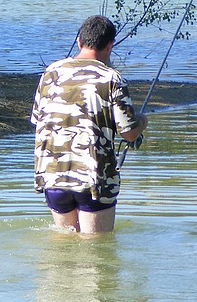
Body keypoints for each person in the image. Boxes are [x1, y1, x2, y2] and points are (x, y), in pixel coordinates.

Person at [31, 15, 148, 234]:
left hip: (53, 176)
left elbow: (37, 120)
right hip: (94, 179)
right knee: (95, 254)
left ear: (79, 42)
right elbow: (129, 133)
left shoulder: (50, 74)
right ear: (110, 45)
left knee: (63, 252)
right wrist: (143, 121)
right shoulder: (112, 79)